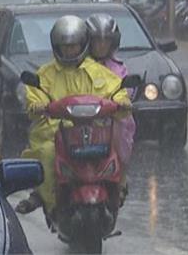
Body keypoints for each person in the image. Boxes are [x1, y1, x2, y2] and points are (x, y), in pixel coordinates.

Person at [15, 15, 131, 215]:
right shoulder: (44, 75)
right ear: (56, 47)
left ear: (83, 45)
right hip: (53, 135)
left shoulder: (98, 72)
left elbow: (116, 89)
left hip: (92, 132)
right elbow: (34, 98)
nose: (70, 50)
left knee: (116, 148)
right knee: (48, 154)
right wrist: (37, 106)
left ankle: (116, 192)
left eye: (74, 45)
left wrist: (122, 102)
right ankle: (51, 204)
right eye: (65, 46)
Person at [85, 13, 137, 164]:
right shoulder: (80, 67)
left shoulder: (118, 68)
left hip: (113, 120)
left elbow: (126, 91)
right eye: (97, 40)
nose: (101, 45)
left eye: (106, 40)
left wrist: (119, 102)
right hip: (84, 120)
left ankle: (120, 180)